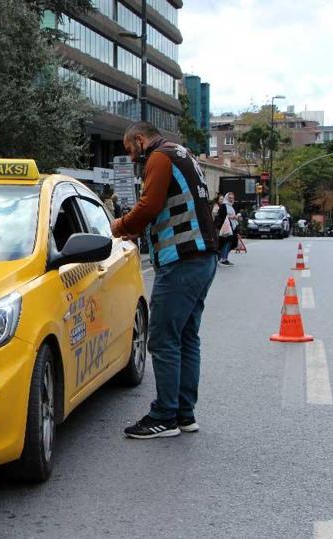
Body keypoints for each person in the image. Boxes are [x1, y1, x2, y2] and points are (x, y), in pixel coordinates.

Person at [109, 121, 218, 439]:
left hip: (182, 261)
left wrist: (119, 226)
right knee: (186, 338)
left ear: (140, 140)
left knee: (163, 340)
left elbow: (149, 205)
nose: (131, 159)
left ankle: (164, 416)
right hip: (202, 259)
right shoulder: (185, 155)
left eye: (130, 150)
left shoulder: (160, 157)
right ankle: (185, 414)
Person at [214, 192, 241, 266]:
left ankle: (223, 258)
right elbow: (221, 216)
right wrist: (231, 217)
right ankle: (223, 259)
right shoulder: (224, 206)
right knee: (226, 242)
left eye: (232, 198)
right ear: (227, 198)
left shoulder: (231, 206)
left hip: (232, 226)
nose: (231, 199)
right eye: (230, 198)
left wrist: (236, 216)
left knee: (231, 243)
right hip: (226, 227)